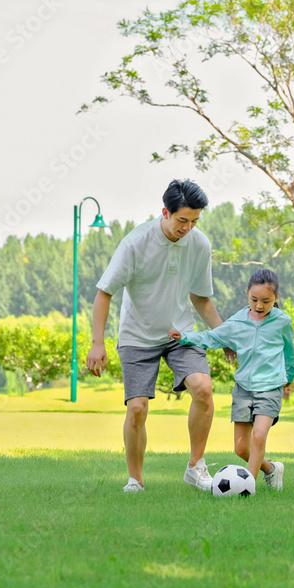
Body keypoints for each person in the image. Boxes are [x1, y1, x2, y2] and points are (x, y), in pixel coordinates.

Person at [86, 179, 234, 493]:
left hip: (180, 333)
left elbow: (201, 299)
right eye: (182, 220)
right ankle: (135, 480)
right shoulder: (135, 243)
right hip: (137, 336)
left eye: (194, 221)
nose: (188, 228)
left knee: (204, 390)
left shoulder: (199, 244)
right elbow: (104, 293)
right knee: (137, 408)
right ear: (165, 212)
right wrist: (98, 342)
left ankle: (196, 467)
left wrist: (222, 336)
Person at [169, 268, 294, 492]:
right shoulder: (238, 321)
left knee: (259, 436)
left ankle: (249, 487)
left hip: (270, 388)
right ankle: (272, 469)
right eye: (254, 299)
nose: (259, 306)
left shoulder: (282, 322)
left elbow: (290, 352)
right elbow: (212, 337)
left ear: (276, 298)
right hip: (243, 390)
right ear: (247, 293)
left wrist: (289, 376)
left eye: (266, 301)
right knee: (241, 449)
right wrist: (185, 337)